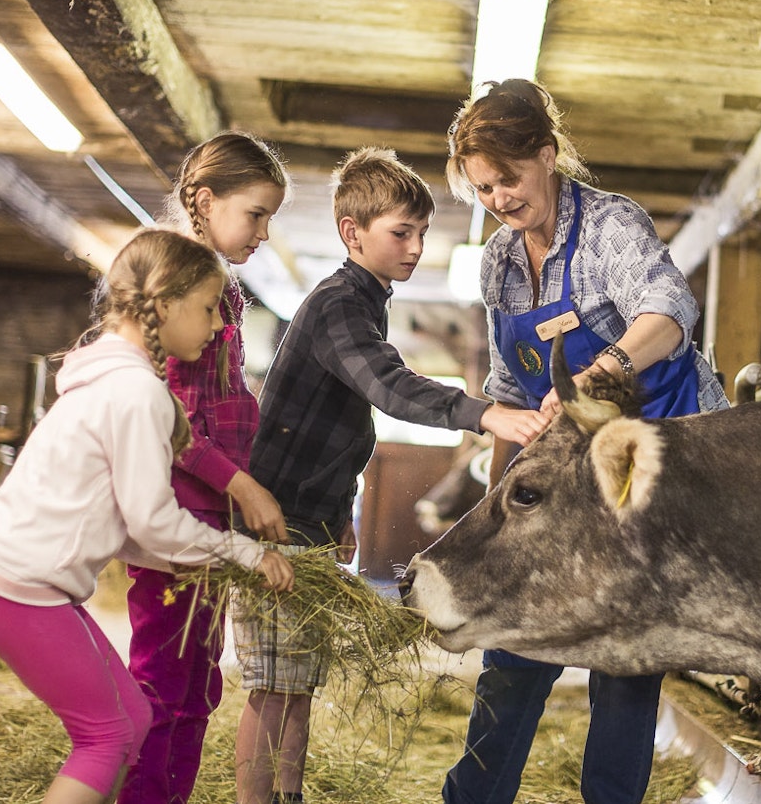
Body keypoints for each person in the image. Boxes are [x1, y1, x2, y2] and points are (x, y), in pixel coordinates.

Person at [440, 78, 731, 804]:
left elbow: (670, 309)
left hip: (650, 467)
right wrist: (497, 509)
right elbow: (511, 391)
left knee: (625, 662)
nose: (500, 200)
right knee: (516, 648)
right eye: (482, 190)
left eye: (508, 179)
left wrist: (610, 365)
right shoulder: (500, 262)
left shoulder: (608, 226)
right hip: (567, 478)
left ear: (547, 155)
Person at [235, 147, 550, 804]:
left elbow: (342, 429)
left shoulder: (365, 302)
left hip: (308, 521)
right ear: (353, 234)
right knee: (272, 689)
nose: (415, 247)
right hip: (273, 522)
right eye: (400, 233)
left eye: (421, 233)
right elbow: (386, 386)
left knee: (296, 685)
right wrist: (481, 413)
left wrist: (338, 518)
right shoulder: (336, 305)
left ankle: (286, 798)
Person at [0, 229, 296, 804]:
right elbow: (155, 521)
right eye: (209, 309)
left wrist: (222, 561)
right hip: (16, 584)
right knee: (107, 735)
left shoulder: (112, 380)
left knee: (133, 716)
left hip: (9, 577)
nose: (216, 327)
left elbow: (130, 531)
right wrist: (246, 554)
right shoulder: (136, 392)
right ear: (163, 304)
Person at [120, 131, 295, 804]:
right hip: (175, 522)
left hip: (209, 521)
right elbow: (173, 420)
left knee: (198, 684)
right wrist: (241, 483)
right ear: (204, 199)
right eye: (255, 214)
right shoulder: (178, 286)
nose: (264, 233)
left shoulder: (218, 290)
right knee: (163, 684)